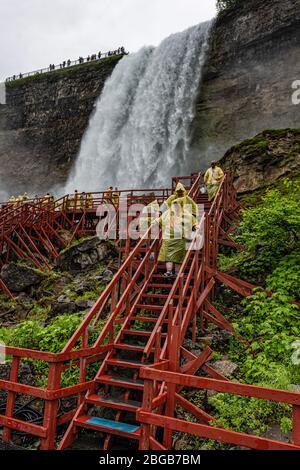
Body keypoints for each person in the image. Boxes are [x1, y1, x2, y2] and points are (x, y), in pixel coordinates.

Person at [157, 198, 197, 277]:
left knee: (174, 257)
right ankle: (173, 272)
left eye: (177, 206)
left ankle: (173, 272)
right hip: (174, 239)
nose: (176, 207)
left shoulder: (185, 214)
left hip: (175, 239)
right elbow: (159, 220)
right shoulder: (172, 213)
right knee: (173, 257)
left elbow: (194, 223)